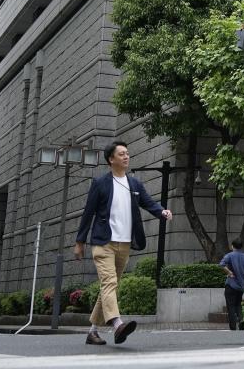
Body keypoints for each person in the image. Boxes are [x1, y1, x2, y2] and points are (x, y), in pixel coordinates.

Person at [74, 141, 172, 346]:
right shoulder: (100, 183)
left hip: (125, 243)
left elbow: (148, 202)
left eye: (127, 153)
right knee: (109, 283)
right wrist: (80, 241)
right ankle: (118, 324)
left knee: (110, 286)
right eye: (122, 154)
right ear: (111, 159)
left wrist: (161, 211)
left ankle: (92, 332)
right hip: (103, 242)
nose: (126, 157)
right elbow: (88, 213)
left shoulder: (134, 184)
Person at [219, 238, 244, 330]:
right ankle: (241, 320)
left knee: (231, 306)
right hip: (241, 286)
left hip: (231, 285)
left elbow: (221, 264)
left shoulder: (230, 255)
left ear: (232, 246)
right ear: (241, 246)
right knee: (238, 305)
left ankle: (233, 327)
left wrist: (229, 272)